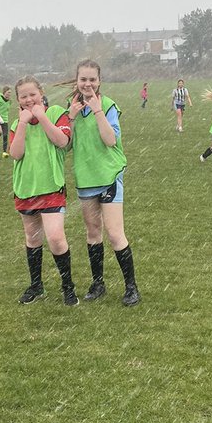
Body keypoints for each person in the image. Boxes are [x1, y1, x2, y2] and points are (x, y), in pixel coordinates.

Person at [66, 60, 141, 307]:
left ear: (99, 81)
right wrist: (71, 118)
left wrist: (97, 110)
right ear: (77, 81)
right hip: (86, 179)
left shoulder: (108, 106)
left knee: (115, 233)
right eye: (83, 79)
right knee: (92, 233)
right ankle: (98, 283)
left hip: (108, 177)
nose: (87, 84)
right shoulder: (73, 108)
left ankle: (132, 287)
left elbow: (110, 140)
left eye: (92, 80)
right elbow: (65, 146)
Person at [8, 76, 78, 306]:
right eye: (23, 96)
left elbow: (61, 141)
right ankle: (36, 285)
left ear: (41, 92)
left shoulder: (56, 112)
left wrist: (41, 116)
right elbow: (16, 154)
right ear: (17, 100)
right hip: (26, 188)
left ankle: (68, 286)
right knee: (33, 237)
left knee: (56, 238)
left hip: (51, 187)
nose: (29, 100)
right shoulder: (17, 122)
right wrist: (23, 123)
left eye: (32, 94)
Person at [0, 85, 12, 155]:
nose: (9, 94)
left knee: (5, 135)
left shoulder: (10, 101)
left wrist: (4, 119)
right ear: (4, 92)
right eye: (8, 92)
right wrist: (0, 119)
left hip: (5, 120)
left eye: (10, 93)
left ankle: (4, 152)